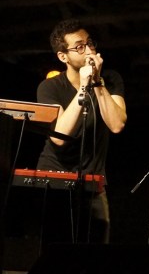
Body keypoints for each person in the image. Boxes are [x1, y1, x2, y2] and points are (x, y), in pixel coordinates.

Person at [36, 19, 127, 244]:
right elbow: (59, 137)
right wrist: (84, 88)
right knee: (56, 251)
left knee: (96, 251)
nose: (88, 50)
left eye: (90, 43)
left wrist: (97, 83)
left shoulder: (110, 80)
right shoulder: (50, 87)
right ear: (63, 56)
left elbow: (116, 124)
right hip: (55, 180)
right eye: (79, 47)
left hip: (93, 182)